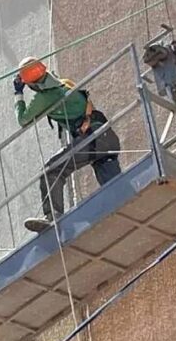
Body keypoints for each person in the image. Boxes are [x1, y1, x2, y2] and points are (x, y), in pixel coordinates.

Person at [13, 57, 122, 232]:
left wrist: (18, 93)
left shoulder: (46, 96)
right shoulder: (65, 84)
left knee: (51, 171)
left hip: (91, 140)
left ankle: (52, 216)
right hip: (105, 136)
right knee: (117, 191)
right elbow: (88, 102)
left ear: (31, 84)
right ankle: (124, 203)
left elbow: (23, 119)